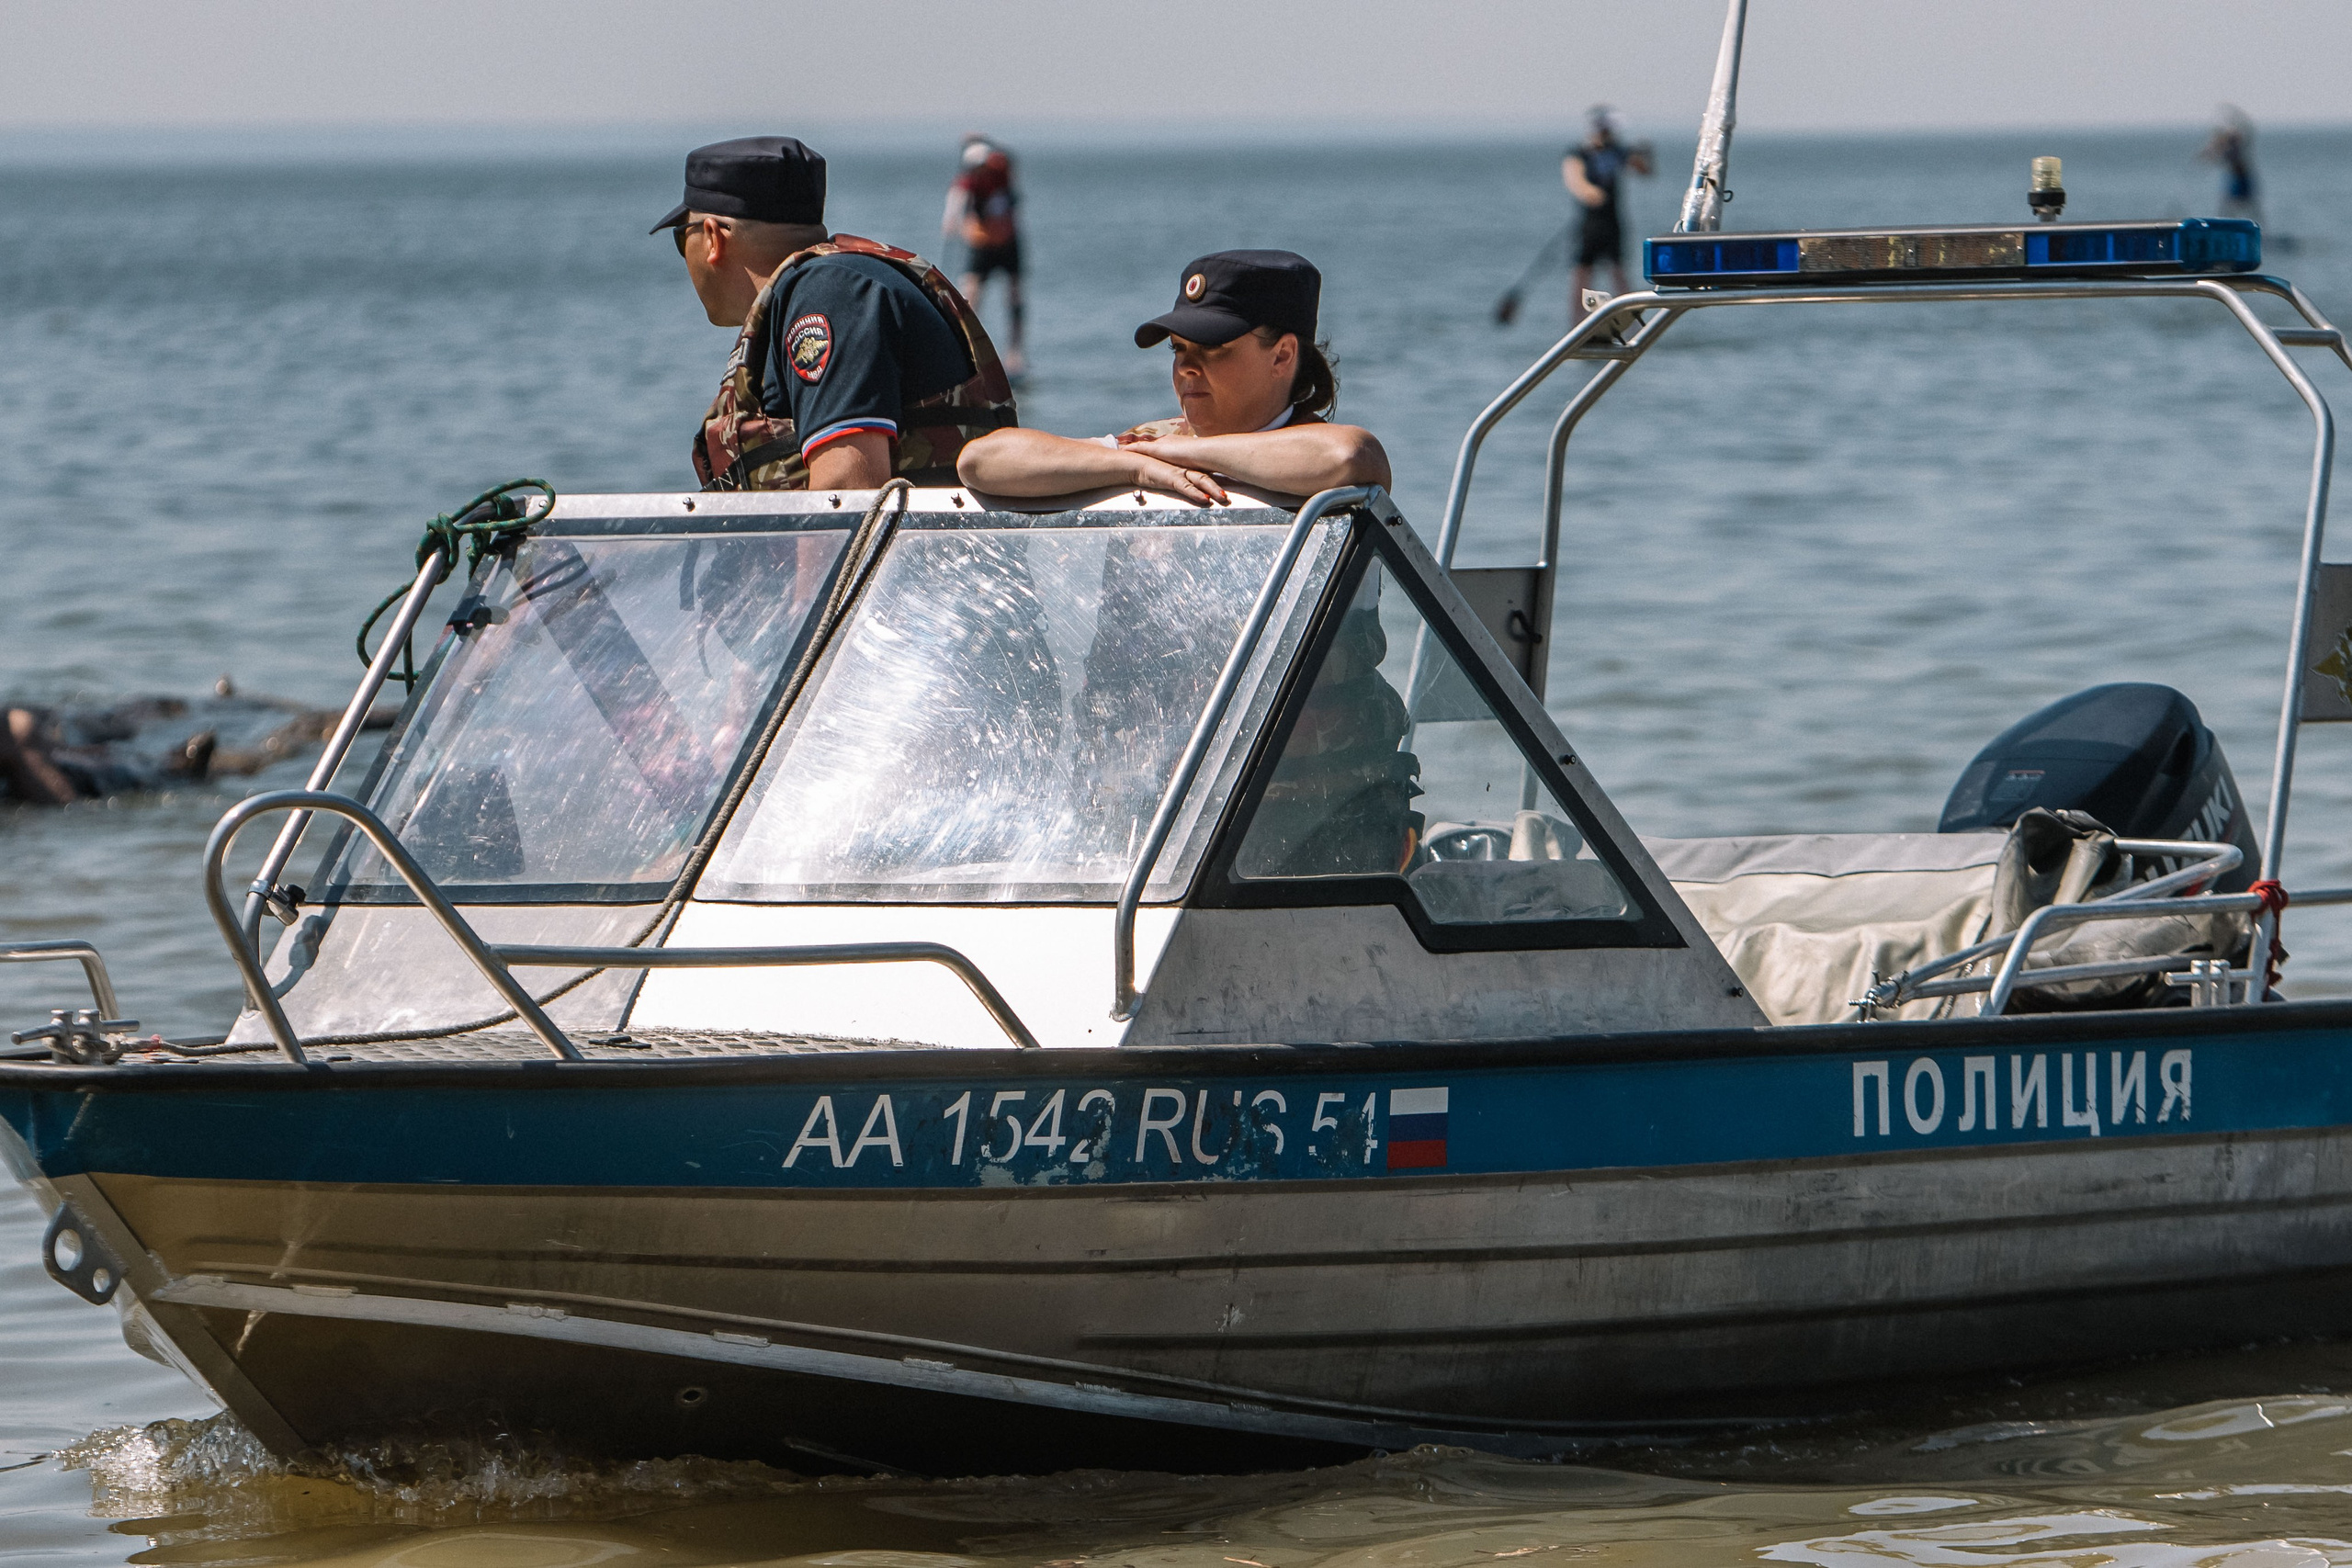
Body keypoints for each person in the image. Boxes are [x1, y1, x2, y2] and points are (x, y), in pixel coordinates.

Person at [656, 136, 1018, 492]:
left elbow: (845, 496)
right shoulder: (833, 287)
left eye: (680, 237)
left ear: (712, 237)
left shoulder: (830, 292)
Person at [956, 249, 1388, 502]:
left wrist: (1185, 455)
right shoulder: (1149, 447)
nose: (1186, 368)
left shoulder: (1313, 455)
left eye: (1214, 349)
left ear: (1282, 356)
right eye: (1178, 348)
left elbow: (1349, 457)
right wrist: (1135, 469)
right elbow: (981, 460)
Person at [943, 135, 1026, 378]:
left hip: (1008, 242)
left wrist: (983, 139)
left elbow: (1010, 158)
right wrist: (953, 223)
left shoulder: (1002, 171)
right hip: (981, 244)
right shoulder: (966, 182)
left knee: (1014, 294)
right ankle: (968, 348)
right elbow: (955, 205)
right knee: (971, 292)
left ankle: (1015, 354)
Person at [1563, 107, 1653, 303]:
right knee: (1583, 270)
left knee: (1618, 269)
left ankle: (1629, 319)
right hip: (1590, 222)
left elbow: (1644, 170)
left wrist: (1644, 155)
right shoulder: (1581, 153)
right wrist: (1588, 192)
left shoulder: (1617, 151)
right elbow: (1573, 177)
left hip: (1613, 220)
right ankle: (1577, 322)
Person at [2201, 107, 2262, 224]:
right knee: (2230, 208)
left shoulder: (2236, 144)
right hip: (2236, 180)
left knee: (2249, 209)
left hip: (2242, 179)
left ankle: (2261, 234)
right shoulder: (2229, 147)